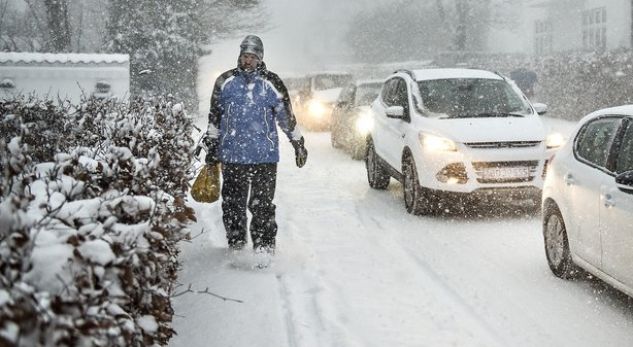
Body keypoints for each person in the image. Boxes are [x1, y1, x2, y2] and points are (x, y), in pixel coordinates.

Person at [202, 35, 308, 255]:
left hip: (264, 157)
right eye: (244, 56)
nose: (247, 61)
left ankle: (264, 248)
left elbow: (286, 117)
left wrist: (298, 142)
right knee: (232, 205)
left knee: (262, 206)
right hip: (232, 156)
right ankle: (237, 246)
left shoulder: (272, 82)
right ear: (239, 57)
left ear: (260, 59)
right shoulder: (225, 82)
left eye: (252, 57)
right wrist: (211, 145)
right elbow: (215, 117)